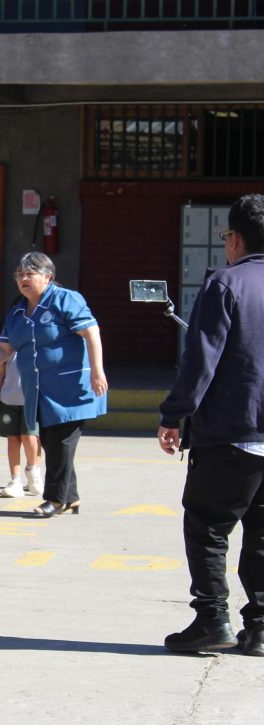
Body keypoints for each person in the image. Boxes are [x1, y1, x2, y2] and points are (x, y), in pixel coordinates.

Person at [159, 193, 264, 657]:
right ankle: (260, 628)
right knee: (262, 532)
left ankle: (211, 619)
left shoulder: (226, 284)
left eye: (225, 236)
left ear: (235, 238)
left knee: (207, 525)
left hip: (230, 431)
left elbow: (201, 359)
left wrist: (174, 414)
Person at [0, 253, 108, 518]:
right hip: (37, 390)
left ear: (48, 277)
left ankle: (55, 499)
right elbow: (4, 348)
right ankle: (70, 496)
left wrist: (97, 370)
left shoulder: (65, 300)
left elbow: (91, 331)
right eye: (20, 274)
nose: (24, 279)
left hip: (71, 389)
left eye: (30, 273)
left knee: (61, 441)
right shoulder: (17, 310)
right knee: (49, 441)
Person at [0, 350, 42, 498]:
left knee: (30, 437)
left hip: (31, 400)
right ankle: (15, 479)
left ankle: (33, 471)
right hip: (9, 399)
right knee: (12, 439)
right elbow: (0, 371)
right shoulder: (7, 341)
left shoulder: (37, 339)